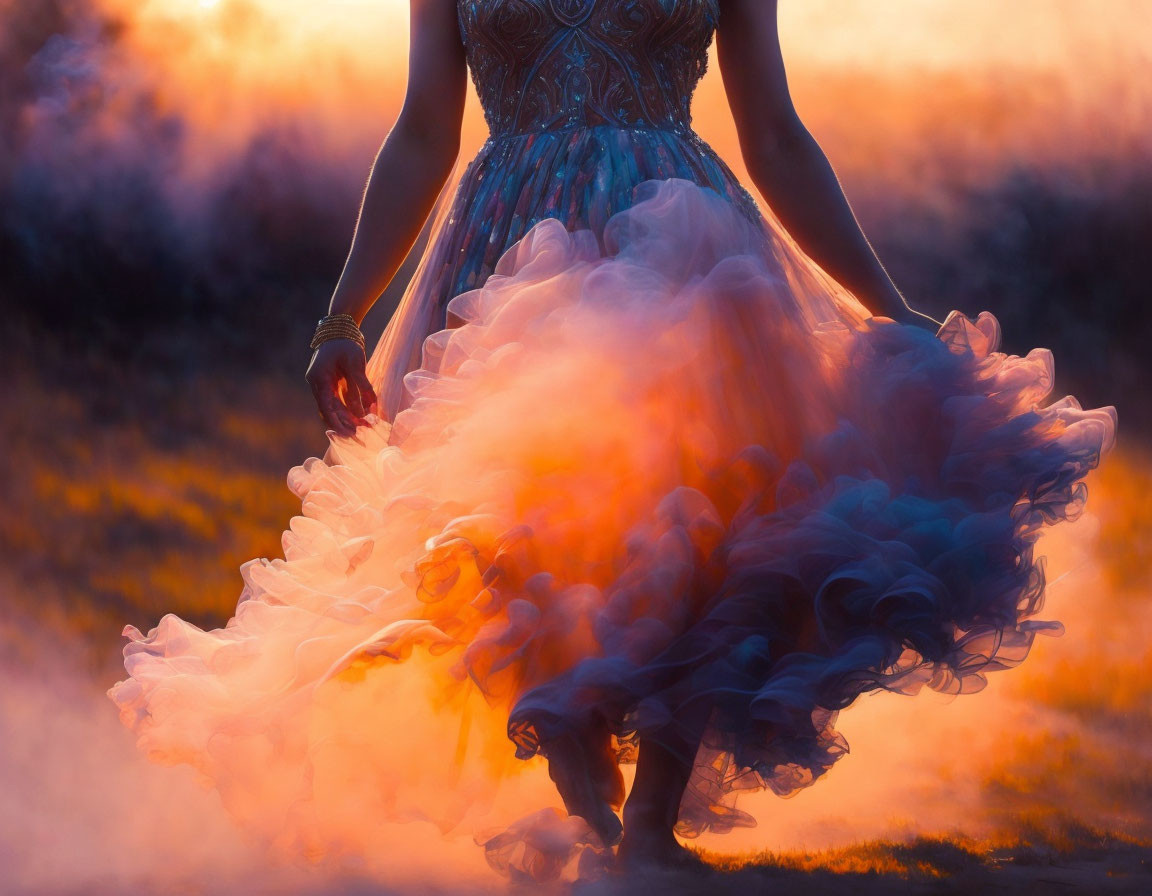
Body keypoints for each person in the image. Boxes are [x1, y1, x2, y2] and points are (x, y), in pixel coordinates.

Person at [111, 0, 1117, 878]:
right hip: (504, 239)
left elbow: (775, 132)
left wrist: (885, 301)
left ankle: (649, 825)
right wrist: (343, 314)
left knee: (702, 516)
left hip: (680, 234)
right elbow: (423, 128)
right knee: (515, 538)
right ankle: (591, 816)